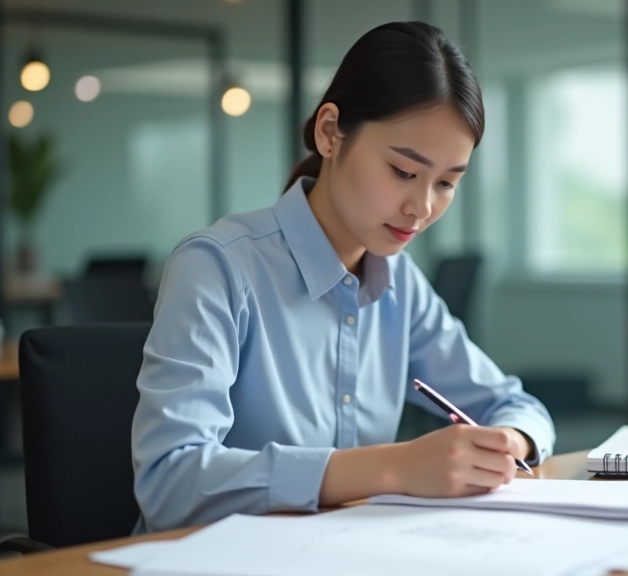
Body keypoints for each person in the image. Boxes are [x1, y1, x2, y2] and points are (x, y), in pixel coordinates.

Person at [131, 21, 555, 533]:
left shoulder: (400, 282)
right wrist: (393, 467)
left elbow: (514, 404)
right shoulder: (217, 267)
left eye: (445, 183)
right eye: (403, 171)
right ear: (330, 133)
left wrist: (509, 441)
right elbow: (171, 482)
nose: (421, 207)